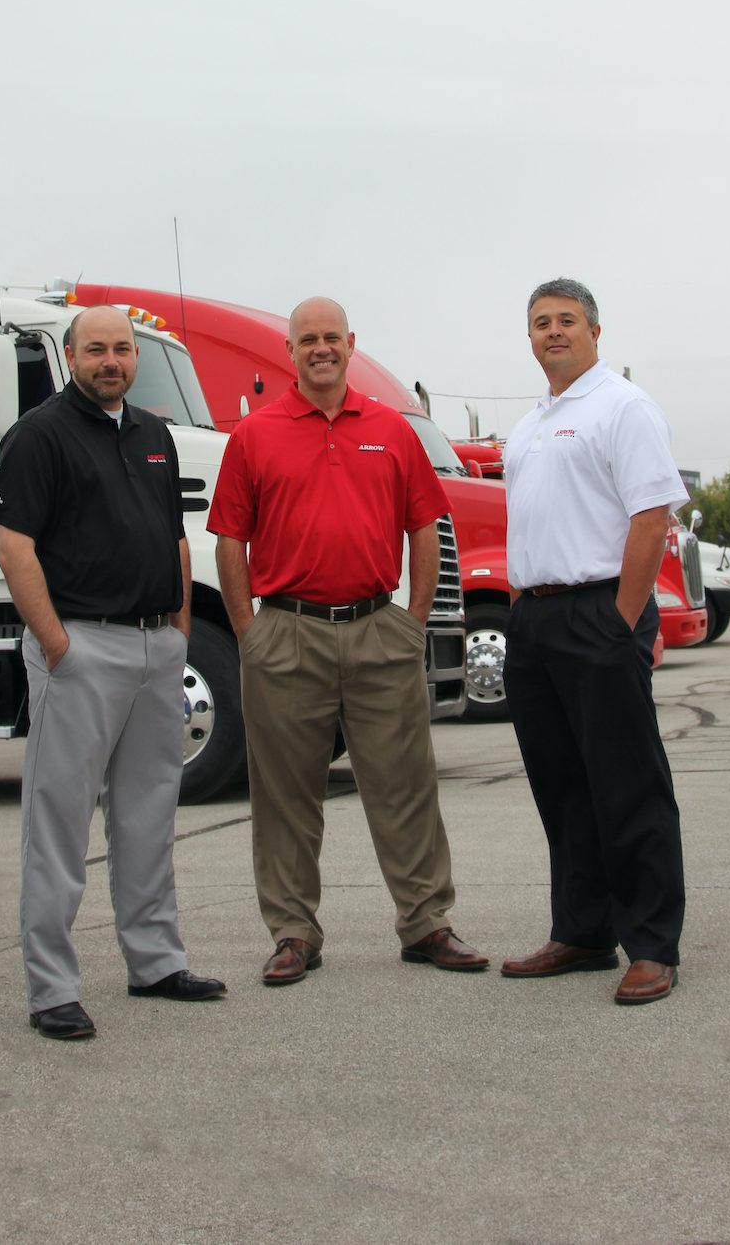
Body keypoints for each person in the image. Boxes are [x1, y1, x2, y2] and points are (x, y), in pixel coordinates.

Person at [208, 296, 487, 985]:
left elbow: (424, 529)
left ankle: (426, 922)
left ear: (350, 343)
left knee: (406, 787)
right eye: (308, 339)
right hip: (286, 635)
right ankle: (292, 933)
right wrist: (249, 632)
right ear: (291, 351)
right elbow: (229, 540)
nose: (321, 348)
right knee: (284, 796)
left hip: (377, 632)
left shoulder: (391, 430)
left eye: (332, 337)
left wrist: (410, 621)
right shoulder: (254, 436)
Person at [0, 305, 225, 1040]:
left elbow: (175, 538)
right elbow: (14, 549)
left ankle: (155, 963)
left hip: (156, 651)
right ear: (71, 355)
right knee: (58, 822)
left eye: (121, 349)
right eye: (96, 349)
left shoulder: (153, 435)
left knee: (148, 813)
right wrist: (57, 646)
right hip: (81, 649)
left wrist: (178, 632)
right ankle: (52, 988)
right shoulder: (39, 434)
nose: (110, 360)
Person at [500, 279, 688, 1005]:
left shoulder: (622, 407)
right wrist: (523, 610)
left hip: (598, 613)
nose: (553, 332)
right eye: (540, 322)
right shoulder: (530, 426)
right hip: (537, 621)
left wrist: (623, 619)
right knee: (563, 788)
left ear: (595, 331)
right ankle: (580, 933)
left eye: (566, 321)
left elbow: (650, 517)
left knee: (627, 784)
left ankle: (650, 945)